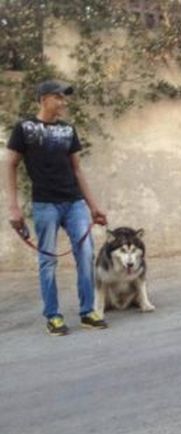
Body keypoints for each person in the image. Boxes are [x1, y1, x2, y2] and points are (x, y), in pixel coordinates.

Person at [6, 80, 108, 335]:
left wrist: (94, 207)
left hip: (74, 203)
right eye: (58, 97)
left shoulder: (68, 130)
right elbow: (9, 164)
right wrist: (13, 207)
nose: (64, 102)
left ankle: (88, 311)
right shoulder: (24, 128)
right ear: (43, 99)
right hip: (45, 204)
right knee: (48, 261)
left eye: (64, 98)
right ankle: (53, 316)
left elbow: (77, 170)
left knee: (85, 254)